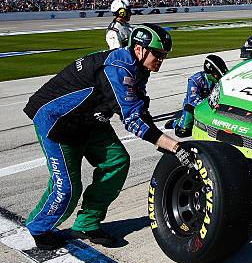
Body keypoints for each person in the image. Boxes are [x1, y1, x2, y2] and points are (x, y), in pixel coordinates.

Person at [23, 24, 195, 250]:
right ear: (140, 48)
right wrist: (174, 146)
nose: (161, 59)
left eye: (164, 55)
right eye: (158, 54)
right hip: (58, 122)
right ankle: (39, 227)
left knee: (117, 161)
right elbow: (133, 121)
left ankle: (87, 223)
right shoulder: (119, 67)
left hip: (89, 120)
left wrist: (164, 142)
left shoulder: (137, 67)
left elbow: (139, 110)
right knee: (67, 188)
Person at [164, 54, 228, 137]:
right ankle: (176, 123)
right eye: (216, 74)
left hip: (215, 106)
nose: (219, 77)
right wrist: (211, 104)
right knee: (182, 132)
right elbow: (193, 100)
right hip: (195, 107)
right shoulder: (195, 80)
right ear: (209, 72)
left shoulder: (223, 78)